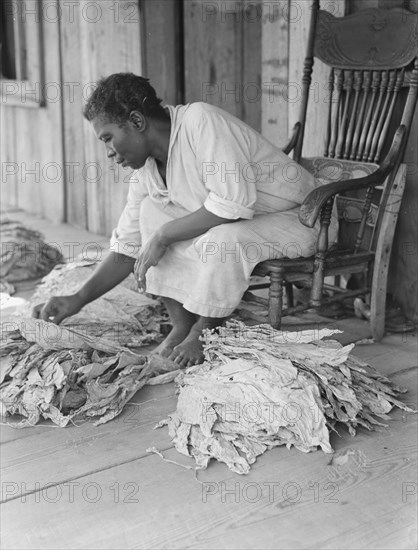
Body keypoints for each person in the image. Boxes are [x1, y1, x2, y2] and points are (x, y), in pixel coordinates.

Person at [33, 73, 337, 367]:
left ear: (137, 121)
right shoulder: (146, 171)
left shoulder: (201, 121)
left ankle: (204, 330)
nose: (109, 153)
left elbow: (232, 204)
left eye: (108, 138)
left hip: (305, 219)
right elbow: (127, 247)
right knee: (152, 213)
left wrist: (164, 235)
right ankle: (182, 324)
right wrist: (77, 298)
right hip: (253, 223)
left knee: (220, 239)